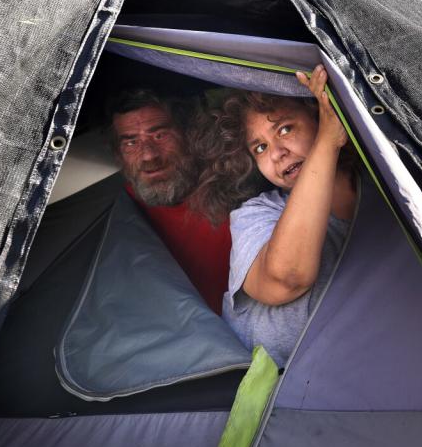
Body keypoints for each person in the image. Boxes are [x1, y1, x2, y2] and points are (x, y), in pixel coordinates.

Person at [190, 66, 356, 368]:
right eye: (260, 147)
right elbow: (287, 278)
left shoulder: (389, 200)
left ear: (319, 118)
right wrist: (327, 143)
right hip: (270, 385)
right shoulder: (256, 213)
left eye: (285, 129)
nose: (277, 153)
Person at [108, 88, 231, 314]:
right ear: (119, 155)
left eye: (160, 136)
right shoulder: (115, 214)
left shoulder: (234, 194)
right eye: (131, 143)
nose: (148, 155)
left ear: (189, 136)